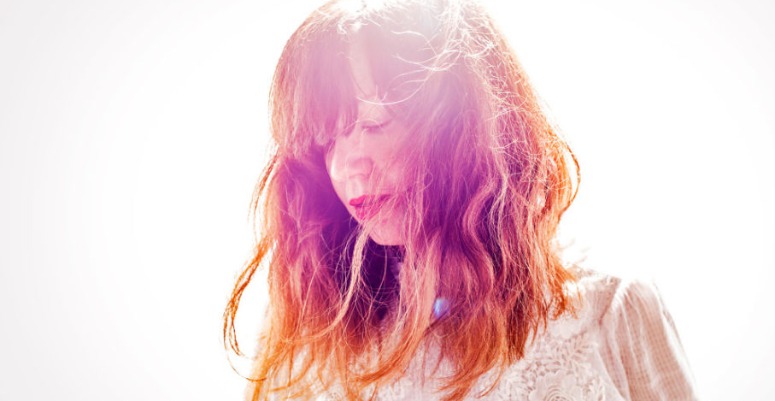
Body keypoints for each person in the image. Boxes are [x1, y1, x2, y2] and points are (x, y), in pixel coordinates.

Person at [224, 0, 699, 400]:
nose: (348, 168)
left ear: (464, 126)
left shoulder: (610, 309)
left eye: (375, 124)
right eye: (326, 141)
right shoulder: (307, 339)